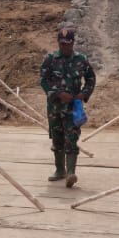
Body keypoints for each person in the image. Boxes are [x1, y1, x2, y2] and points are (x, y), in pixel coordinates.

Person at [39, 26, 96, 188]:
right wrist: (56, 93)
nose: (65, 47)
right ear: (58, 43)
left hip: (73, 108)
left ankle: (71, 172)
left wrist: (84, 94)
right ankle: (60, 170)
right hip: (55, 108)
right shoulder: (50, 59)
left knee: (72, 138)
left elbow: (91, 78)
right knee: (57, 139)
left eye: (68, 44)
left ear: (73, 43)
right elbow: (43, 80)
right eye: (62, 44)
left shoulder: (81, 60)